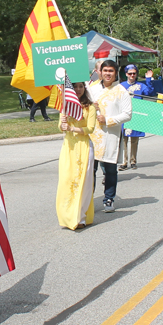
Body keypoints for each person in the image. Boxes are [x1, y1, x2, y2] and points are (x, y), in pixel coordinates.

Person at [89, 60, 132, 212]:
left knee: (110, 169)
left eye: (111, 71)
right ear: (100, 71)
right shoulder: (91, 88)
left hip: (110, 135)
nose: (108, 73)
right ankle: (88, 200)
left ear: (116, 73)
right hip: (92, 135)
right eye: (105, 70)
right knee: (90, 169)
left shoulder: (121, 91)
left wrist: (108, 120)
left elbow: (127, 115)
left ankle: (109, 198)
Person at [56, 82, 96, 230]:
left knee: (83, 181)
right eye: (75, 87)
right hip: (69, 147)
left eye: (81, 86)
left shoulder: (90, 107)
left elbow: (90, 128)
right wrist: (63, 124)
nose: (78, 90)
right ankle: (67, 215)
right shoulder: (65, 105)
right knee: (67, 180)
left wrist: (72, 127)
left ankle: (81, 216)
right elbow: (61, 126)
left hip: (84, 146)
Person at [119, 64, 155, 171]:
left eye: (134, 73)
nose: (132, 75)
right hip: (124, 115)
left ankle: (133, 161)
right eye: (130, 73)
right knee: (124, 140)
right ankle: (124, 162)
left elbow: (149, 92)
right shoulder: (121, 86)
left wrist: (148, 79)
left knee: (134, 140)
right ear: (126, 74)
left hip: (136, 115)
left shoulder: (141, 85)